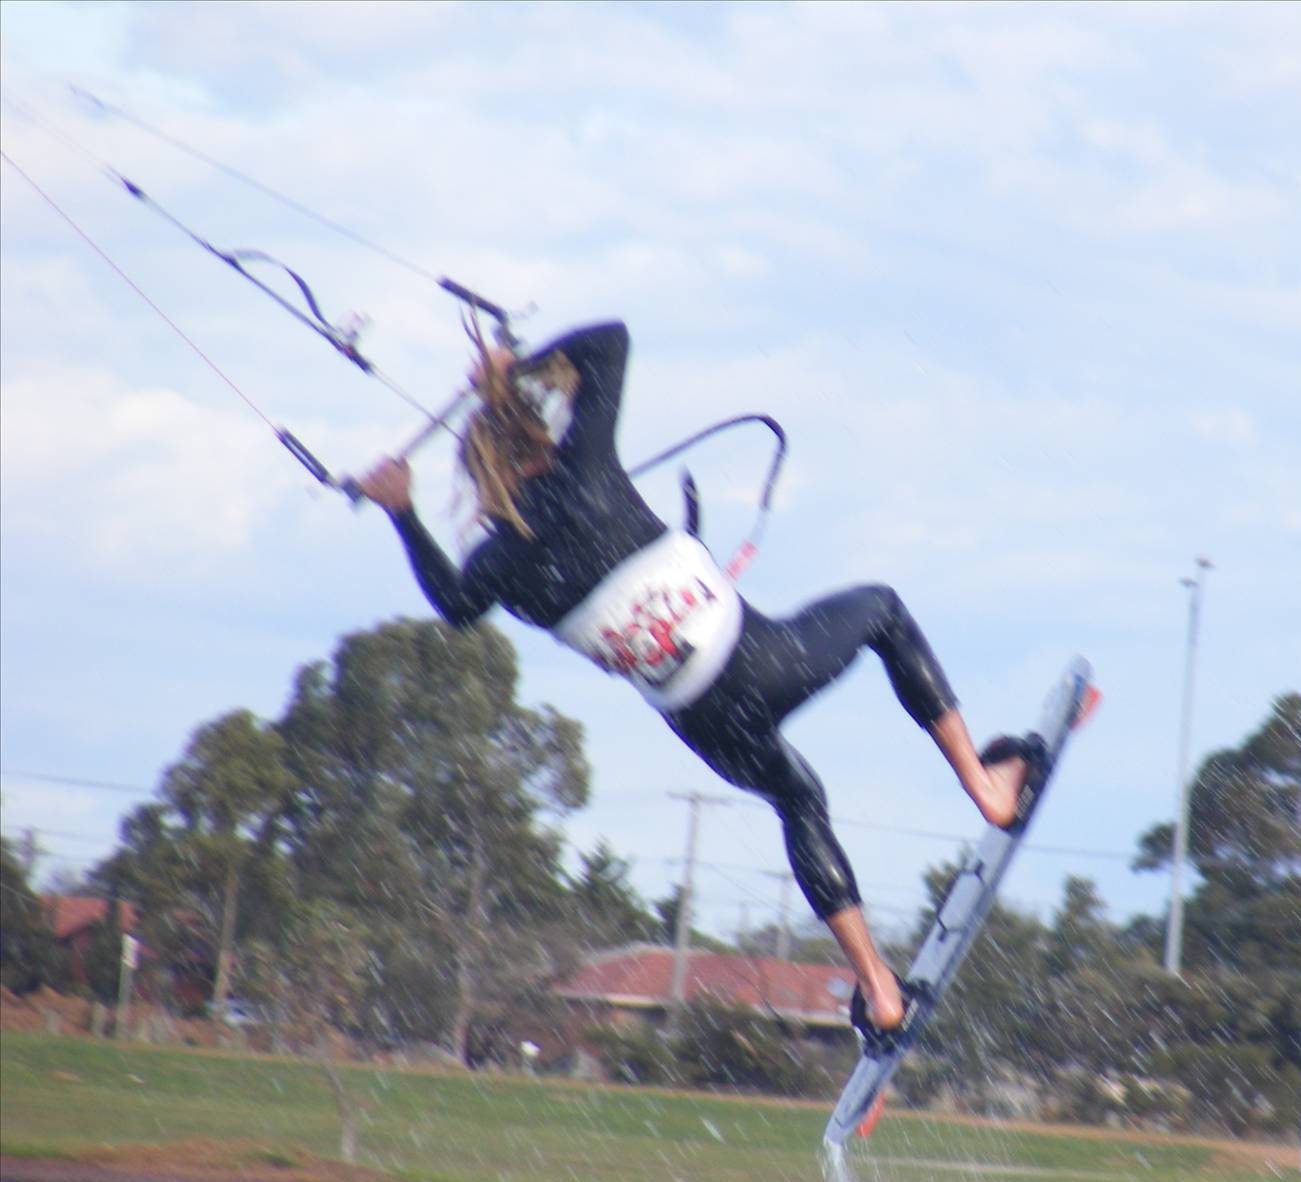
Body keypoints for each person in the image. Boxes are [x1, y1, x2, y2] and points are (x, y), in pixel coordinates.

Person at [356, 319, 1045, 1044]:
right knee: (884, 611)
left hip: (703, 723)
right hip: (757, 662)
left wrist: (402, 511)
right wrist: (514, 366)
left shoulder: (500, 564)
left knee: (798, 798)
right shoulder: (583, 471)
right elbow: (610, 342)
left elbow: (457, 606)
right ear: (536, 435)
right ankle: (986, 787)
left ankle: (878, 989)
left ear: (481, 474)